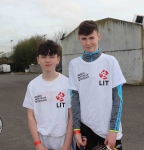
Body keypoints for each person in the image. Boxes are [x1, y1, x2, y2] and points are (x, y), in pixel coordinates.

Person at [69, 20, 126, 150]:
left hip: (109, 132)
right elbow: (74, 99)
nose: (88, 42)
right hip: (85, 130)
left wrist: (113, 130)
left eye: (91, 38)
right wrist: (76, 131)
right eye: (84, 38)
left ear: (99, 37)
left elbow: (118, 98)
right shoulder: (74, 65)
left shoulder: (110, 61)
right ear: (79, 39)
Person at [23, 40, 73, 150]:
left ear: (58, 59)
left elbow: (71, 116)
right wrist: (37, 144)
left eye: (52, 56)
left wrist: (67, 145)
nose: (47, 60)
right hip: (42, 139)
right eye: (43, 56)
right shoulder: (33, 85)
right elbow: (30, 116)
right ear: (38, 60)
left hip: (63, 138)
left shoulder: (67, 83)